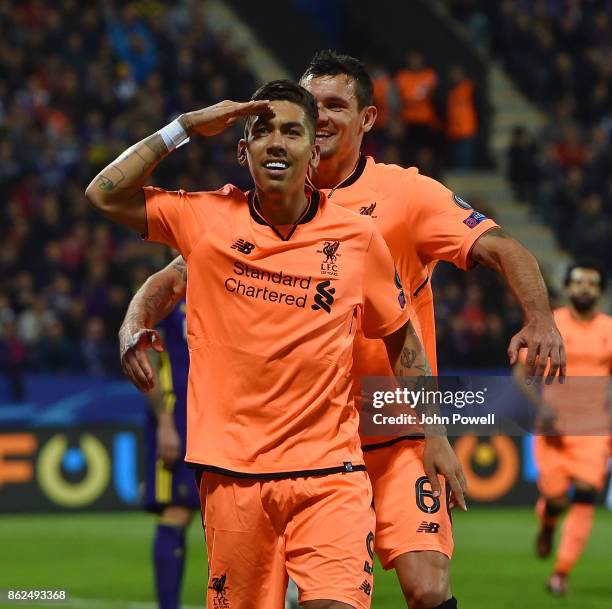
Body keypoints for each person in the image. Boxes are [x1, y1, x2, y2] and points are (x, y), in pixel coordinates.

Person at [119, 51, 566, 609]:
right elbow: (180, 273)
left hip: (390, 422)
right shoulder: (267, 203)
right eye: (314, 105)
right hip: (303, 436)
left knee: (427, 585)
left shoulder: (407, 195)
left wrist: (539, 316)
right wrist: (136, 317)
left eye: (336, 105)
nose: (322, 117)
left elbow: (501, 248)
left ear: (368, 120)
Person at [87, 79, 432, 609]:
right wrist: (185, 126)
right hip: (232, 480)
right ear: (241, 149)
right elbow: (104, 192)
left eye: (292, 131)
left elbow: (401, 337)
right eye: (262, 131)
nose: (276, 142)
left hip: (331, 474)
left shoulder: (359, 241)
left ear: (313, 148)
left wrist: (434, 435)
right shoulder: (204, 221)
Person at [526, 261, 612, 596]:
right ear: (567, 288)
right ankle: (548, 523)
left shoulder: (609, 329)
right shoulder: (550, 326)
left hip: (595, 429)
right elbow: (523, 375)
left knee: (587, 493)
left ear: (600, 291)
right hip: (554, 429)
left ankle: (560, 573)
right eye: (578, 283)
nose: (585, 289)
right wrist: (540, 407)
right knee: (557, 500)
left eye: (591, 284)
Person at [128, 294, 199, 609]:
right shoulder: (165, 294)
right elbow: (150, 357)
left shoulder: (221, 279)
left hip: (217, 414)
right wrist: (165, 424)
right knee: (177, 510)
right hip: (178, 415)